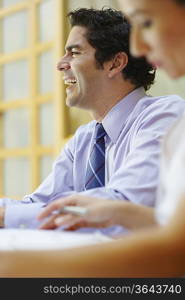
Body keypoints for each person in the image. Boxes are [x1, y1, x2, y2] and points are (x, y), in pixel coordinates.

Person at [1, 2, 185, 277]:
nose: (60, 64)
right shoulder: (85, 138)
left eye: (73, 53)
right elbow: (40, 203)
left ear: (115, 63)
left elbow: (124, 202)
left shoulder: (165, 115)